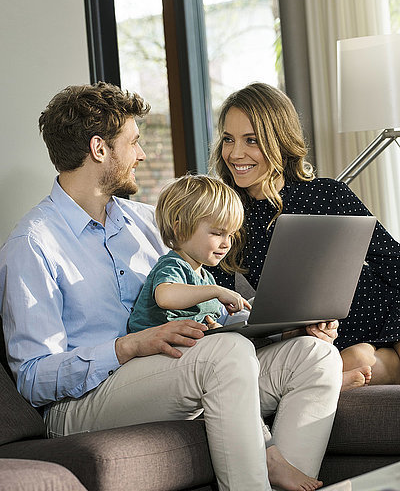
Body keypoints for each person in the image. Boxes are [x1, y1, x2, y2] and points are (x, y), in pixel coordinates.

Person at [0, 82, 342, 491]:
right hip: (82, 403)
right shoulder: (33, 244)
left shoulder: (147, 222)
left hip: (169, 373)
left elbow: (201, 304)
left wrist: (286, 326)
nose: (142, 155)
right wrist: (129, 346)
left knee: (314, 356)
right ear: (99, 149)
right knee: (225, 354)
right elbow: (33, 378)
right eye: (134, 142)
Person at [209, 81, 400, 392]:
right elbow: (225, 304)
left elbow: (393, 262)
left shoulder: (327, 193)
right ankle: (361, 367)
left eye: (251, 140)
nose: (235, 153)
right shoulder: (226, 216)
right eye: (228, 139)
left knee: (364, 358)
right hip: (332, 333)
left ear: (279, 141)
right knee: (355, 361)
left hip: (382, 306)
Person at [128, 174, 251, 333]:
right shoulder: (172, 265)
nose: (226, 243)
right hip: (155, 350)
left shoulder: (205, 277)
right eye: (216, 233)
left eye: (231, 235)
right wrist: (217, 291)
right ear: (180, 229)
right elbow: (165, 297)